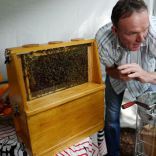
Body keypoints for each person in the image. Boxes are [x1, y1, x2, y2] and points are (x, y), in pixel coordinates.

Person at [95, 0, 156, 155]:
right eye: (132, 33)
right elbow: (109, 69)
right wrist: (118, 75)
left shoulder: (154, 34)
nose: (141, 39)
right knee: (110, 119)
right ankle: (113, 153)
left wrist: (147, 75)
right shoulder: (103, 40)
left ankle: (148, 151)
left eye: (145, 29)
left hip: (148, 77)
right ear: (115, 31)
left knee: (152, 120)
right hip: (116, 80)